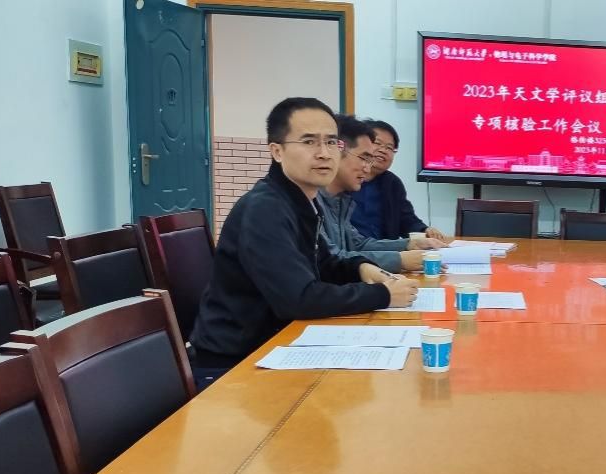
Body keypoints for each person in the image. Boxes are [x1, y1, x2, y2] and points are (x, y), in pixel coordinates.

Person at [189, 98, 418, 388]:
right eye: (309, 142)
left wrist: (361, 268)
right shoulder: (265, 209)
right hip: (235, 365)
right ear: (277, 151)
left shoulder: (300, 200)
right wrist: (382, 295)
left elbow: (324, 263)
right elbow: (298, 299)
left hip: (276, 346)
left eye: (331, 142)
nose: (324, 153)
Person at [316, 115, 445, 273]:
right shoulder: (310, 202)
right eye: (364, 158)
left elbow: (358, 244)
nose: (367, 168)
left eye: (390, 147)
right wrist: (399, 260)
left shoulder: (340, 200)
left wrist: (410, 244)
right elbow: (331, 259)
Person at [348, 119, 446, 240]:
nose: (383, 150)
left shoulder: (392, 183)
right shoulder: (344, 180)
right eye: (377, 143)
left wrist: (424, 230)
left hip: (386, 249)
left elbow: (405, 219)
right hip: (351, 249)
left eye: (389, 148)